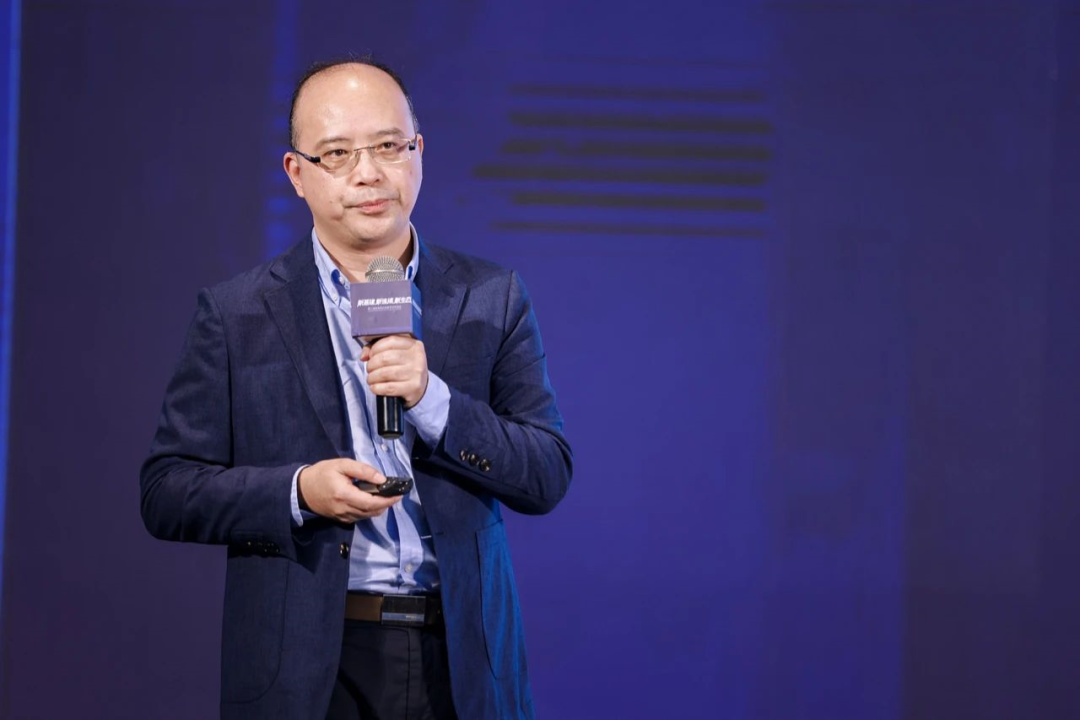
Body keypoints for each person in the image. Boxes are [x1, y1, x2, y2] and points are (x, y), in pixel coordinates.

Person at [140, 58, 572, 720]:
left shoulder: (492, 296)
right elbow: (167, 491)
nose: (368, 173)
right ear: (297, 174)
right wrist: (298, 492)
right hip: (308, 664)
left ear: (419, 152)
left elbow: (546, 474)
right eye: (338, 154)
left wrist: (432, 401)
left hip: (460, 662)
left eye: (388, 146)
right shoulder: (236, 313)